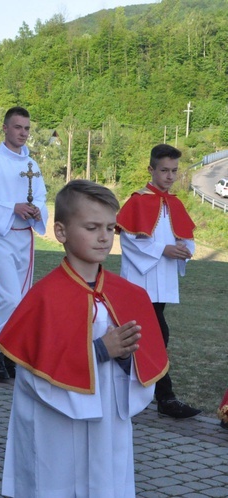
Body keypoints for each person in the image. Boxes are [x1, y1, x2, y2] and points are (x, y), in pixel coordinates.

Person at [0, 180, 169, 497]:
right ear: (61, 232)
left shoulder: (129, 295)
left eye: (110, 227)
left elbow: (142, 370)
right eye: (91, 227)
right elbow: (36, 375)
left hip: (108, 426)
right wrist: (101, 350)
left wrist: (124, 356)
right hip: (56, 428)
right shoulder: (45, 298)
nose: (104, 237)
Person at [117, 144, 201, 419]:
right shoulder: (138, 201)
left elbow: (183, 235)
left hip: (161, 282)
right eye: (164, 170)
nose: (169, 176)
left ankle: (143, 393)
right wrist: (163, 250)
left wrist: (184, 248)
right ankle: (165, 398)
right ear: (151, 169)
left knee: (148, 337)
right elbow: (129, 239)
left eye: (174, 171)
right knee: (155, 336)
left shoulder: (173, 203)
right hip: (140, 281)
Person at [0, 106, 48, 380]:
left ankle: (8, 352)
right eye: (17, 127)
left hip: (23, 238)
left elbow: (40, 195)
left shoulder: (32, 165)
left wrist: (38, 210)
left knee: (22, 300)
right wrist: (12, 208)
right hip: (0, 236)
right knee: (9, 299)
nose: (23, 133)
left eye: (27, 128)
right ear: (5, 128)